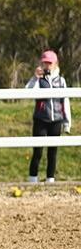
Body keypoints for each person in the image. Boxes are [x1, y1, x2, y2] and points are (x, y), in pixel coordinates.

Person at [26, 50, 71, 183]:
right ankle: (33, 179)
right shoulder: (38, 80)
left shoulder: (61, 81)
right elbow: (28, 92)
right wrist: (35, 78)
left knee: (52, 152)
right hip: (40, 119)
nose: (47, 66)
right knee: (38, 151)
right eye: (45, 63)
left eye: (49, 63)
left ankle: (50, 179)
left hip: (56, 119)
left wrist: (67, 123)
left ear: (56, 63)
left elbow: (65, 101)